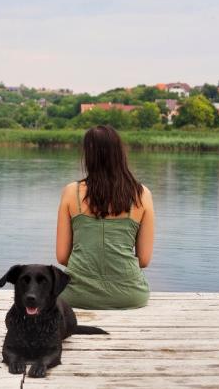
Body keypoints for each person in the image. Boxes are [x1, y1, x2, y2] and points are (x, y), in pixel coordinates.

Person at [56, 125, 154, 309]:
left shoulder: (71, 192)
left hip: (77, 295)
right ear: (119, 153)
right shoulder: (142, 195)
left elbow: (62, 257)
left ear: (88, 155)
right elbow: (144, 260)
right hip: (130, 295)